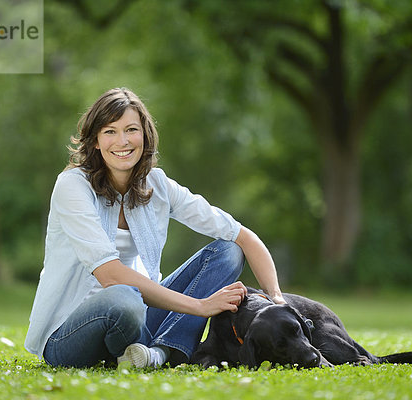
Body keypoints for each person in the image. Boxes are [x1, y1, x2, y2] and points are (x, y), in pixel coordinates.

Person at [24, 87, 285, 369]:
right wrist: (201, 306)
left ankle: (157, 353)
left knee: (228, 251)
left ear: (145, 135)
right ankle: (152, 351)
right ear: (96, 141)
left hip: (136, 317)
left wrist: (277, 299)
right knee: (124, 297)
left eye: (131, 129)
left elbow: (242, 236)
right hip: (69, 335)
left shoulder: (158, 185)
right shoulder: (73, 186)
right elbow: (110, 274)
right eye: (110, 131)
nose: (122, 141)